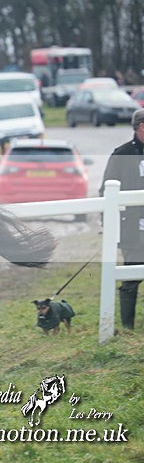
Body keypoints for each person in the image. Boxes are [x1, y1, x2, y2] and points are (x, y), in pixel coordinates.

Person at [101, 109, 144, 329]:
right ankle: (128, 327)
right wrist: (108, 226)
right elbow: (105, 192)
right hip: (134, 231)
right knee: (131, 278)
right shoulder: (122, 154)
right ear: (140, 127)